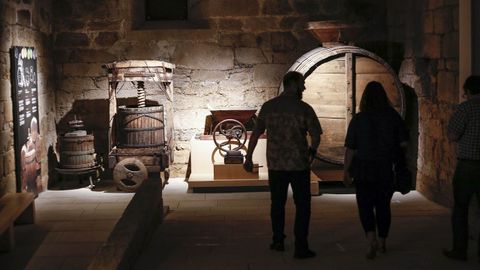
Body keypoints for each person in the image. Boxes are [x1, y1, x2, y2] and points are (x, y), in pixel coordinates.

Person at [243, 71, 322, 259]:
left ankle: (278, 241)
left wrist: (248, 157)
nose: (304, 87)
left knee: (277, 204)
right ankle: (301, 246)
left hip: (276, 165)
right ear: (293, 84)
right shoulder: (304, 109)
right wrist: (312, 151)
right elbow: (316, 135)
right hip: (299, 165)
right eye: (302, 84)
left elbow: (255, 134)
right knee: (303, 206)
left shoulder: (269, 107)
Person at [343, 81, 408, 259]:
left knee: (365, 206)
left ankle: (371, 238)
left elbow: (350, 148)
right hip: (385, 168)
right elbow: (403, 143)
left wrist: (346, 171)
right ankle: (383, 241)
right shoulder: (393, 116)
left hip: (363, 168)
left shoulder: (359, 118)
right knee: (383, 206)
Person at [443, 75, 480, 262]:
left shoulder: (465, 108)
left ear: (468, 91)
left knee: (460, 209)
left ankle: (460, 250)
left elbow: (453, 135)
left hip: (468, 166)